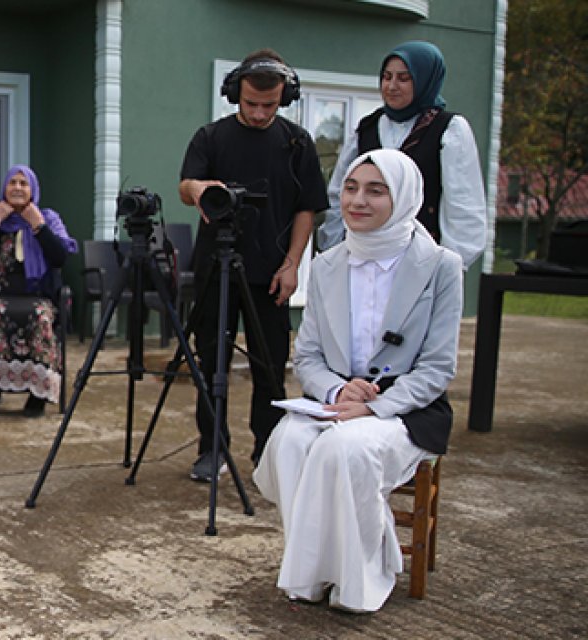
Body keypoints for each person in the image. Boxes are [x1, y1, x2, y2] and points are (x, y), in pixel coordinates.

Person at [253, 148, 463, 613]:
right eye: (350, 188)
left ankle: (363, 579)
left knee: (342, 448)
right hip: (337, 400)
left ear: (404, 197)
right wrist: (335, 390)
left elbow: (436, 368)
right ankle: (315, 570)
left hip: (405, 410)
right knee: (288, 442)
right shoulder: (327, 264)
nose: (358, 201)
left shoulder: (441, 266)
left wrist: (372, 406)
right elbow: (306, 355)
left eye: (375, 190)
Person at [178, 49, 329, 481]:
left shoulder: (297, 143)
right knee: (212, 365)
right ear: (234, 95)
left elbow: (307, 210)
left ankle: (268, 450)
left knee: (270, 368)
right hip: (215, 268)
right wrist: (199, 187)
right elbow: (185, 186)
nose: (261, 113)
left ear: (285, 96)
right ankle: (212, 450)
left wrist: (293, 264)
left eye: (271, 104)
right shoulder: (210, 137)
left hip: (272, 272)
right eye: (251, 104)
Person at [316, 40, 486, 269]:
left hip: (420, 263)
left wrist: (448, 266)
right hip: (363, 260)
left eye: (404, 79)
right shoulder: (367, 128)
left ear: (425, 80)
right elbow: (338, 193)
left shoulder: (448, 129)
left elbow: (464, 206)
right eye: (387, 77)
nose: (392, 86)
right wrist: (333, 252)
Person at [0, 164, 78, 417]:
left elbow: (60, 258)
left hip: (39, 297)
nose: (17, 188)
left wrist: (38, 225)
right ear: (4, 188)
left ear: (33, 189)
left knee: (40, 316)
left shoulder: (48, 218)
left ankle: (37, 396)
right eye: (12, 183)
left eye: (23, 184)